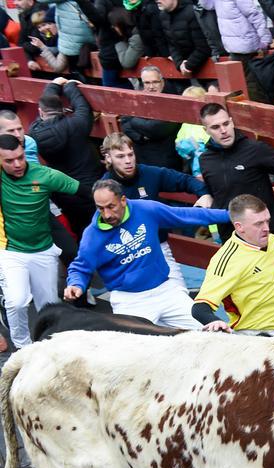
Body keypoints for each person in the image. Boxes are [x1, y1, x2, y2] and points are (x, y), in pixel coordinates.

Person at [197, 103, 274, 341]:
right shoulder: (206, 160)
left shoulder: (255, 150)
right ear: (206, 131)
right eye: (215, 127)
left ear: (233, 121)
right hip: (234, 244)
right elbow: (214, 190)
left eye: (226, 123)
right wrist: (203, 194)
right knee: (246, 299)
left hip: (271, 236)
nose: (223, 130)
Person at [64, 180, 230, 327]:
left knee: (207, 333)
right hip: (129, 300)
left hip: (166, 290)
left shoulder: (146, 209)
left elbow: (185, 215)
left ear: (123, 200)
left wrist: (229, 215)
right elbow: (80, 267)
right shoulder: (92, 235)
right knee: (136, 354)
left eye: (111, 206)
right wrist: (75, 284)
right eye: (100, 209)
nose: (106, 214)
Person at [192, 194, 274, 340]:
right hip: (254, 338)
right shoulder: (227, 260)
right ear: (239, 227)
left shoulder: (273, 241)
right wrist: (214, 321)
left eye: (267, 221)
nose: (266, 228)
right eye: (258, 224)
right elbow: (199, 307)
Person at [0, 133, 83, 349]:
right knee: (16, 302)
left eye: (20, 157)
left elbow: (84, 191)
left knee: (50, 307)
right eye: (9, 161)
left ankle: (51, 348)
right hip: (11, 251)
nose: (17, 164)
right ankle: (23, 347)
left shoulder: (45, 175)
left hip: (44, 251)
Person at [100, 132, 213, 290]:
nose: (128, 161)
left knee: (181, 298)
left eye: (130, 154)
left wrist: (204, 194)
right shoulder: (104, 189)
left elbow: (184, 180)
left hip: (159, 248)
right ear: (108, 158)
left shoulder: (148, 173)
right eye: (120, 156)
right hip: (128, 254)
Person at [28, 76, 103, 236]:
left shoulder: (35, 132)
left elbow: (44, 111)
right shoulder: (76, 124)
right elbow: (82, 107)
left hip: (63, 192)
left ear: (41, 112)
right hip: (89, 187)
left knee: (81, 232)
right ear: (62, 109)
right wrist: (69, 85)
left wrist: (53, 85)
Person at [120, 66, 184, 170]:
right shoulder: (139, 99)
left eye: (155, 82)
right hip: (141, 158)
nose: (151, 87)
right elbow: (124, 124)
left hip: (165, 160)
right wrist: (141, 137)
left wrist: (133, 120)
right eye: (147, 83)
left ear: (162, 82)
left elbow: (155, 128)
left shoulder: (173, 100)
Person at [214, 0, 270, 101]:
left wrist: (265, 39)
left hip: (245, 45)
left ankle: (259, 111)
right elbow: (206, 5)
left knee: (252, 85)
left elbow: (254, 15)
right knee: (241, 87)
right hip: (235, 45)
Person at [156, 0, 212, 78]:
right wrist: (179, 64)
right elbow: (171, 44)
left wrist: (188, 65)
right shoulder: (163, 16)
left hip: (206, 64)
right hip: (184, 68)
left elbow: (204, 45)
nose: (157, 0)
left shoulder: (192, 12)